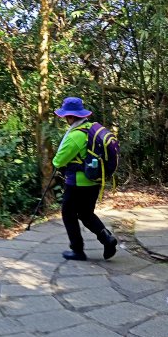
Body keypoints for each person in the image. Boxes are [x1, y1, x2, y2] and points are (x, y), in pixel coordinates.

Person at [52, 97, 118, 261]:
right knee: (86, 213)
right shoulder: (91, 128)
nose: (65, 120)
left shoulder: (75, 135)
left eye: (66, 116)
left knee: (68, 213)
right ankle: (107, 238)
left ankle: (77, 250)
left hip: (77, 183)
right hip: (94, 181)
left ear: (71, 117)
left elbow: (58, 161)